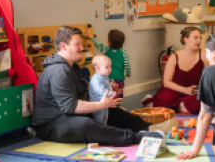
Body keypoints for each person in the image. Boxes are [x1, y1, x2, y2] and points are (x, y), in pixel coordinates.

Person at [32, 26, 178, 146]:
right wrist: (100, 104)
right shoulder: (58, 71)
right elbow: (71, 107)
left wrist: (104, 99)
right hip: (52, 124)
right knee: (86, 124)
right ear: (63, 46)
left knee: (110, 111)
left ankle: (147, 127)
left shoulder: (73, 66)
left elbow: (84, 96)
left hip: (70, 114)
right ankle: (138, 138)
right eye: (77, 44)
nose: (82, 48)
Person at [142, 27, 208, 114]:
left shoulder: (204, 54)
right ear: (185, 39)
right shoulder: (174, 57)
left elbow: (209, 77)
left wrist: (201, 90)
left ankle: (176, 107)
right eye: (196, 38)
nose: (199, 41)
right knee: (165, 99)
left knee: (195, 105)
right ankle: (154, 102)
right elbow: (166, 82)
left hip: (194, 91)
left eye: (200, 38)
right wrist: (185, 90)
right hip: (175, 90)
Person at [89, 29, 130, 103]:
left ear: (109, 42)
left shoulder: (106, 49)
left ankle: (108, 107)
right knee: (117, 94)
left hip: (107, 77)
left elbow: (98, 45)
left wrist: (92, 37)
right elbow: (127, 64)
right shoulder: (123, 52)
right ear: (122, 43)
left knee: (107, 93)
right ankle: (116, 107)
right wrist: (128, 73)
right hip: (119, 78)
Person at [89, 55, 113, 124]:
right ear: (98, 69)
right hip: (97, 104)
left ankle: (104, 128)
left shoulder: (104, 76)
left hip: (104, 102)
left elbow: (107, 85)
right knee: (99, 119)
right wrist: (110, 93)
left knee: (105, 117)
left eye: (110, 66)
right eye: (107, 67)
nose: (110, 69)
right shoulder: (96, 79)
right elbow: (100, 90)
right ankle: (100, 130)